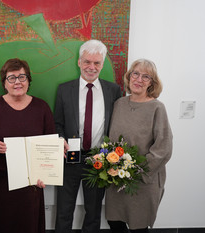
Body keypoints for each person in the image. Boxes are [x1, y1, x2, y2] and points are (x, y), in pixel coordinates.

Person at [0, 58, 55, 233]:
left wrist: (45, 173)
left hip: (30, 185)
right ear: (4, 83)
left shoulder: (42, 108)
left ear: (28, 80)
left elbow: (49, 143)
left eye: (22, 77)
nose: (17, 82)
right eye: (12, 78)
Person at [54, 39, 122, 233]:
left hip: (99, 160)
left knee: (93, 211)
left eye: (97, 63)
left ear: (102, 63)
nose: (91, 67)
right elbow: (57, 122)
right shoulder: (64, 90)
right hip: (70, 158)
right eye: (87, 62)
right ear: (79, 62)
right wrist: (61, 140)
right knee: (64, 209)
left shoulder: (113, 91)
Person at [105, 59, 173, 233]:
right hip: (117, 178)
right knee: (115, 222)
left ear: (152, 83)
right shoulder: (119, 104)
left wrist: (136, 170)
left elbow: (163, 147)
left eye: (146, 76)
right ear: (129, 77)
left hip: (143, 181)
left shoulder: (157, 108)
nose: (139, 79)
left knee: (138, 227)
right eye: (135, 74)